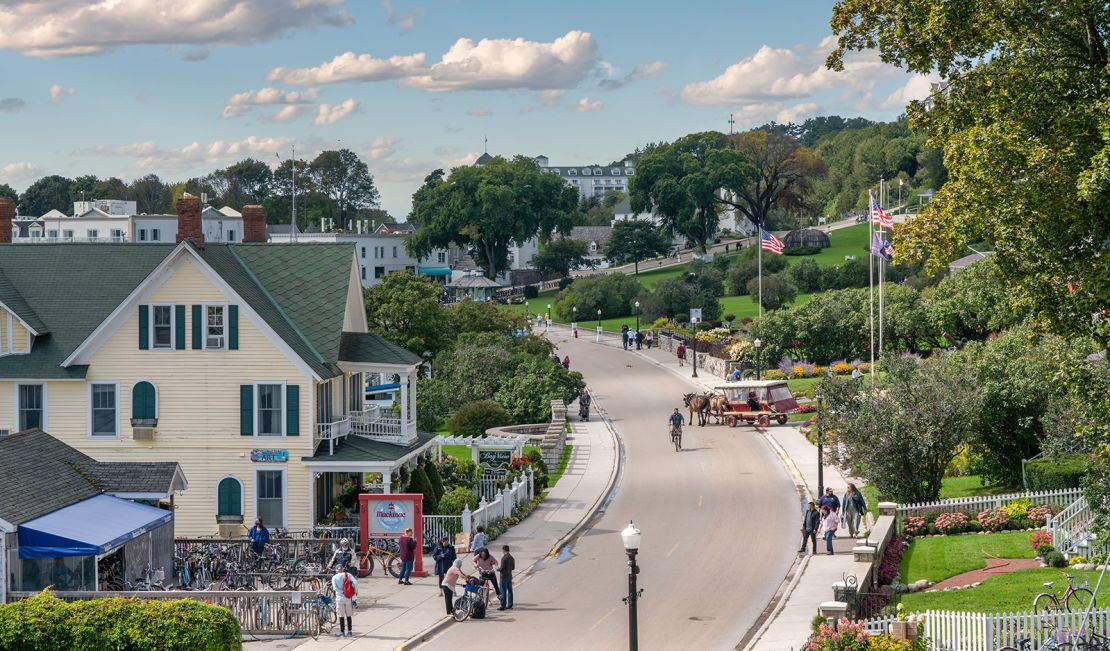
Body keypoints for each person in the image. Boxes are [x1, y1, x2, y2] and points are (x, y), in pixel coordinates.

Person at [331, 563, 358, 638]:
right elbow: (355, 582)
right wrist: (355, 592)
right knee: (349, 615)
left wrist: (341, 592)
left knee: (341, 615)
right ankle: (349, 632)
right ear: (342, 569)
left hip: (339, 599)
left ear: (336, 570)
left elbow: (334, 588)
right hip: (348, 597)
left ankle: (342, 632)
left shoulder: (334, 577)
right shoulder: (348, 574)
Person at [498, 545, 515, 610]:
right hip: (509, 576)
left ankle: (503, 605)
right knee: (510, 591)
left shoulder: (504, 558)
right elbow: (513, 568)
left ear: (503, 550)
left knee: (503, 591)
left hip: (503, 576)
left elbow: (502, 568)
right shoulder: (512, 558)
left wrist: (497, 569)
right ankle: (510, 605)